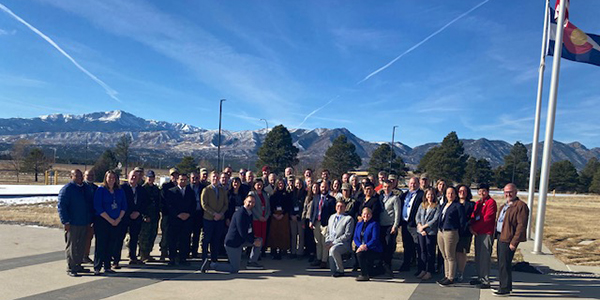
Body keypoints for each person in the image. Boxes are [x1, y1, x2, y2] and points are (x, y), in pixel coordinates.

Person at [201, 196, 264, 273]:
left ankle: (252, 262)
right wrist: (253, 242)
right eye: (249, 201)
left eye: (253, 202)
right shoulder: (240, 213)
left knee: (259, 240)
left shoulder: (249, 213)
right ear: (244, 201)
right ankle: (211, 265)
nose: (251, 204)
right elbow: (242, 232)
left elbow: (250, 230)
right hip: (233, 244)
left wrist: (254, 239)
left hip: (241, 241)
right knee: (234, 269)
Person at [493, 183, 529, 296]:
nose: (508, 194)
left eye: (510, 192)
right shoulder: (505, 205)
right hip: (500, 236)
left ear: (516, 192)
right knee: (501, 263)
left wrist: (514, 242)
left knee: (505, 263)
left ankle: (504, 288)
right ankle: (505, 285)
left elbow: (521, 226)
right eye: (506, 192)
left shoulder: (520, 206)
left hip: (509, 238)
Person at [58, 169, 94, 277]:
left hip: (84, 222)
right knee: (72, 245)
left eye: (80, 176)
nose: (79, 178)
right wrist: (65, 221)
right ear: (71, 177)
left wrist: (89, 220)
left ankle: (78, 264)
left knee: (81, 245)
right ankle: (71, 267)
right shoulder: (67, 189)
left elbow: (89, 204)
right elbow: (62, 206)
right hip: (72, 223)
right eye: (76, 176)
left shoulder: (85, 188)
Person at [93, 170, 126, 275]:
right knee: (101, 244)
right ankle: (97, 267)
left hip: (116, 221)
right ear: (105, 179)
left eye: (113, 178)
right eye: (109, 177)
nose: (111, 180)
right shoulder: (101, 190)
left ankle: (107, 266)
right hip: (103, 221)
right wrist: (110, 220)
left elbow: (124, 206)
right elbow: (98, 206)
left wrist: (118, 219)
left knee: (111, 244)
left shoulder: (119, 191)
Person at [117, 170, 149, 266]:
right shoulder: (122, 188)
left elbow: (144, 203)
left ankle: (133, 257)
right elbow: (120, 202)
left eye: (136, 176)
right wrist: (129, 213)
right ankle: (116, 259)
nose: (134, 178)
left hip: (136, 217)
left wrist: (138, 212)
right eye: (132, 176)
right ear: (128, 176)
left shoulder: (141, 189)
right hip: (124, 217)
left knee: (134, 238)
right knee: (119, 238)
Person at [437, 186, 466, 287]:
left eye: (452, 193)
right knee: (444, 255)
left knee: (450, 255)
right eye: (448, 193)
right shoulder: (445, 204)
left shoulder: (458, 206)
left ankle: (451, 277)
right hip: (441, 231)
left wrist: (458, 231)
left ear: (455, 194)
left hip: (451, 232)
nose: (450, 195)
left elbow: (462, 221)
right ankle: (446, 275)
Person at [469, 183, 497, 289]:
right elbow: (473, 216)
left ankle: (486, 280)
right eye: (479, 191)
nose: (481, 193)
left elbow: (487, 219)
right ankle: (480, 277)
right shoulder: (478, 203)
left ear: (488, 191)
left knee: (485, 256)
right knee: (478, 256)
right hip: (477, 233)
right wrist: (471, 227)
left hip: (486, 232)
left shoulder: (491, 203)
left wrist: (474, 228)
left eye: (484, 191)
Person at [165, 173, 196, 266]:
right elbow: (169, 205)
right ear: (177, 180)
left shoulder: (190, 192)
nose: (183, 181)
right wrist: (178, 214)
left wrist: (188, 214)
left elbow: (193, 205)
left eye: (185, 180)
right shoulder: (171, 191)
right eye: (181, 179)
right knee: (173, 240)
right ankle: (172, 259)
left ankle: (183, 258)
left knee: (185, 240)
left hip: (186, 220)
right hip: (175, 220)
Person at [201, 171, 229, 264]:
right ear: (210, 178)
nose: (215, 179)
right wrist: (214, 214)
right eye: (213, 177)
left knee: (216, 239)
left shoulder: (222, 190)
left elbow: (226, 204)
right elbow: (204, 204)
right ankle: (204, 258)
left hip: (219, 219)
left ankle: (214, 258)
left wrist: (221, 214)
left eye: (217, 177)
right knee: (207, 239)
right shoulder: (206, 190)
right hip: (209, 218)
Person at [398, 177, 424, 273]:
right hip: (405, 224)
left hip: (415, 224)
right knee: (406, 245)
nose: (412, 185)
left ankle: (420, 266)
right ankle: (406, 264)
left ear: (418, 184)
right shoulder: (405, 195)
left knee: (418, 245)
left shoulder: (421, 195)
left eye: (415, 183)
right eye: (411, 183)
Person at [415, 187, 440, 281]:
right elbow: (417, 217)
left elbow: (435, 219)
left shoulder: (437, 206)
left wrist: (425, 227)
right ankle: (422, 269)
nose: (430, 196)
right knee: (422, 251)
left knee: (430, 252)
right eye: (428, 194)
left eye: (432, 194)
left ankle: (429, 271)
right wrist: (420, 227)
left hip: (430, 232)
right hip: (420, 231)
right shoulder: (422, 205)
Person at [309, 181, 336, 268]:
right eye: (322, 187)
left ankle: (324, 261)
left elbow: (333, 213)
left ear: (328, 188)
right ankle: (318, 258)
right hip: (316, 222)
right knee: (318, 242)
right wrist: (311, 221)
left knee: (324, 242)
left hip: (326, 224)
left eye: (325, 187)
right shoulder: (316, 198)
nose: (323, 189)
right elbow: (312, 210)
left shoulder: (332, 200)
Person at [325, 200, 354, 277]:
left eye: (342, 206)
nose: (339, 208)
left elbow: (347, 235)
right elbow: (328, 231)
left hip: (343, 243)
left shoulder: (348, 219)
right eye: (338, 206)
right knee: (328, 247)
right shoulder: (331, 217)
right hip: (331, 241)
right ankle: (333, 270)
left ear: (345, 208)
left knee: (333, 249)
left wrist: (333, 243)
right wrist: (327, 241)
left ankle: (340, 270)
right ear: (335, 207)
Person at [379, 180, 401, 278]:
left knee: (389, 246)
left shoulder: (395, 198)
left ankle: (388, 267)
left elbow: (397, 213)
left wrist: (395, 226)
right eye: (385, 186)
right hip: (381, 225)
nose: (386, 188)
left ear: (392, 187)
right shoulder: (380, 198)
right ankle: (381, 266)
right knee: (382, 246)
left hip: (390, 225)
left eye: (388, 186)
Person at [354, 207, 383, 281]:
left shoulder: (374, 224)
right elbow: (355, 237)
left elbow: (375, 239)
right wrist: (360, 246)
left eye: (368, 214)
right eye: (364, 214)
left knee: (360, 254)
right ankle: (369, 271)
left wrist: (365, 246)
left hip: (373, 248)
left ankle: (364, 275)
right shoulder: (359, 224)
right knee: (358, 252)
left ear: (371, 215)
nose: (366, 216)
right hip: (361, 247)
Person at [139, 170, 161, 262]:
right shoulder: (142, 189)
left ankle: (148, 253)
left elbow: (159, 202)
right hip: (146, 216)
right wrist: (144, 215)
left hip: (154, 216)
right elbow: (141, 204)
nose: (151, 179)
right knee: (144, 236)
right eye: (149, 177)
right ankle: (143, 254)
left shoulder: (156, 189)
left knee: (152, 235)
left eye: (152, 177)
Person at [455, 184, 475, 282]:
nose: (462, 193)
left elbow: (473, 218)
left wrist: (467, 226)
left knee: (461, 253)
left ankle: (460, 272)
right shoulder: (453, 203)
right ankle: (452, 271)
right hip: (453, 231)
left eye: (464, 191)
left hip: (465, 233)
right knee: (453, 252)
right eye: (460, 191)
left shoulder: (471, 204)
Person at [159, 168, 179, 261]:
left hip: (178, 215)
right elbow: (163, 200)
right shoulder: (166, 186)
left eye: (176, 175)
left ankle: (175, 252)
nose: (174, 177)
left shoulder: (181, 186)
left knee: (176, 234)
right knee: (166, 234)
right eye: (172, 175)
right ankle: (163, 252)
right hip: (167, 214)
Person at [268, 179, 291, 259]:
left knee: (282, 233)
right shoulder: (273, 195)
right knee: (274, 233)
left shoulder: (287, 194)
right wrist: (274, 214)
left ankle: (281, 251)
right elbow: (270, 206)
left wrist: (283, 214)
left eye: (282, 184)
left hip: (283, 216)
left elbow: (288, 206)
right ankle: (273, 251)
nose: (280, 185)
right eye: (279, 183)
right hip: (274, 216)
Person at [248, 178, 270, 256]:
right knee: (256, 236)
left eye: (261, 184)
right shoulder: (252, 194)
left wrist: (266, 217)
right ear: (254, 185)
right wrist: (259, 217)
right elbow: (252, 207)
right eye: (258, 184)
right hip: (256, 219)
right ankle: (254, 254)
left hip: (264, 219)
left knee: (263, 235)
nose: (259, 186)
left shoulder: (265, 194)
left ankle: (262, 251)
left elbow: (268, 207)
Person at [82, 170, 98, 264]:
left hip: (93, 217)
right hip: (82, 217)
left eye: (92, 175)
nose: (90, 177)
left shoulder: (96, 188)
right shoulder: (81, 187)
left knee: (89, 237)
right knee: (80, 239)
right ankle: (79, 257)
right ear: (84, 176)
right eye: (88, 175)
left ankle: (85, 256)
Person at [189, 172, 206, 258]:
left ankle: (194, 252)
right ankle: (186, 251)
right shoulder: (188, 188)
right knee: (188, 234)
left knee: (197, 234)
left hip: (199, 213)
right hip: (190, 214)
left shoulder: (203, 188)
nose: (194, 180)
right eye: (193, 178)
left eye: (196, 178)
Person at [289, 178, 306, 258]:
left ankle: (300, 252)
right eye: (296, 183)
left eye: (300, 183)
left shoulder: (305, 194)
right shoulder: (291, 193)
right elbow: (289, 205)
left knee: (301, 236)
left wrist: (299, 215)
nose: (298, 185)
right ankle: (293, 251)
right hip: (292, 217)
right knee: (293, 235)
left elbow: (304, 206)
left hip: (301, 217)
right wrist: (292, 215)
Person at [302, 182, 318, 261]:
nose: (315, 189)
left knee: (316, 238)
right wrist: (303, 219)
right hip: (308, 219)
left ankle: (316, 254)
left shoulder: (319, 197)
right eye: (313, 187)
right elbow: (304, 209)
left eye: (316, 187)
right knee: (309, 237)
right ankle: (310, 253)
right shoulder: (308, 198)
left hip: (316, 220)